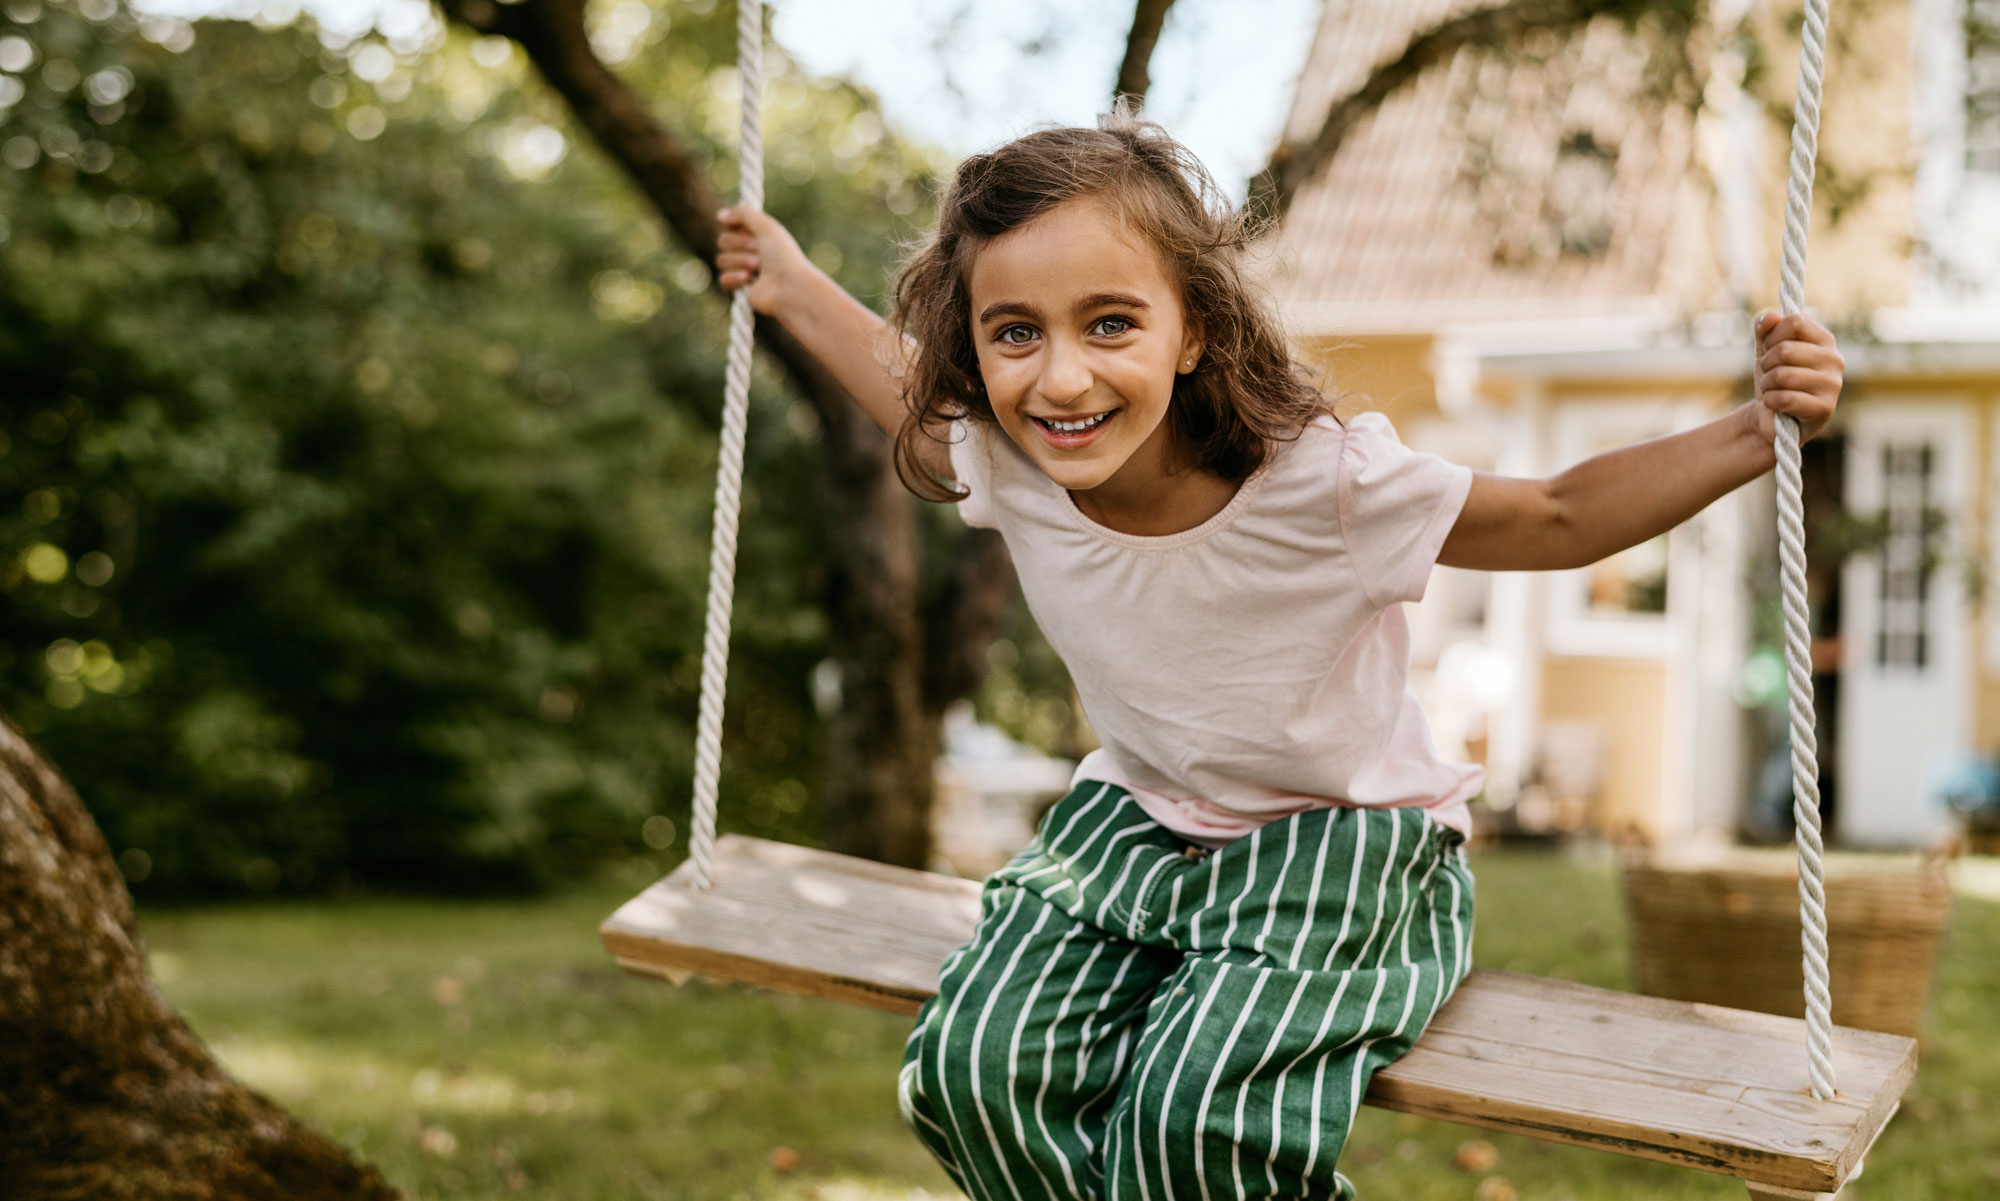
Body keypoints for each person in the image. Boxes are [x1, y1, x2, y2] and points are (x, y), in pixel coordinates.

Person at [716, 109, 1843, 1201]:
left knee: (1189, 1122)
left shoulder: (1326, 486)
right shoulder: (1010, 463)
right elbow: (891, 383)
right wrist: (787, 280)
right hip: (1138, 821)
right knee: (969, 1075)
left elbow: (1555, 514)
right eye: (1015, 332)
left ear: (1191, 329)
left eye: (1109, 323)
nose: (1059, 378)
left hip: (1340, 840)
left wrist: (1755, 427)